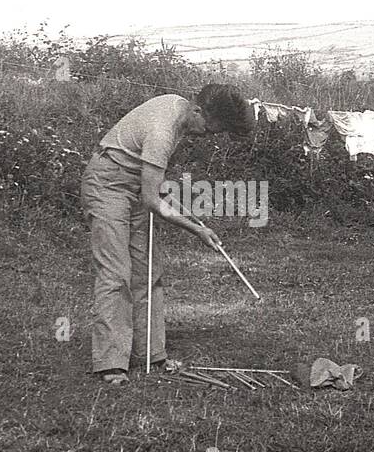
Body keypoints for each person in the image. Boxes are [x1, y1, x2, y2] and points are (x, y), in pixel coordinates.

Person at [79, 83, 254, 386]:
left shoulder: (179, 108)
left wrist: (184, 212)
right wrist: (197, 229)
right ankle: (111, 363)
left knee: (147, 270)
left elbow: (152, 183)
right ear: (198, 111)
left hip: (134, 183)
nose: (207, 136)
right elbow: (152, 201)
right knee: (115, 272)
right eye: (210, 129)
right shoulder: (163, 130)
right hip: (107, 184)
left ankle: (150, 353)